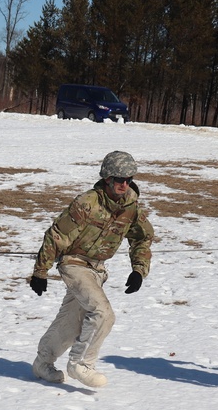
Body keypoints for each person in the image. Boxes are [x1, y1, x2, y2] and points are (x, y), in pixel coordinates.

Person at [29, 151, 154, 388]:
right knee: (102, 313)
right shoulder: (87, 203)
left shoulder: (131, 206)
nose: (124, 184)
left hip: (98, 269)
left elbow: (143, 237)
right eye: (119, 179)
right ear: (107, 178)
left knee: (73, 320)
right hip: (74, 263)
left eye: (129, 179)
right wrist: (40, 272)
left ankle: (43, 362)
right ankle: (81, 364)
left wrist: (139, 270)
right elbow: (57, 235)